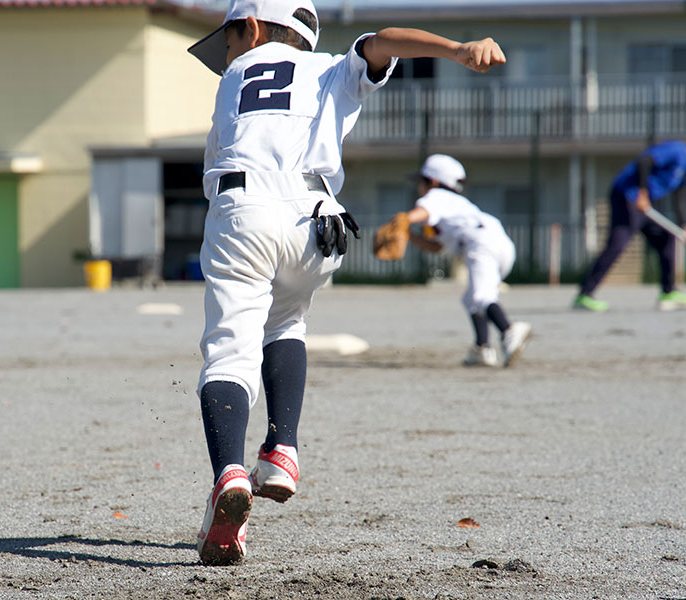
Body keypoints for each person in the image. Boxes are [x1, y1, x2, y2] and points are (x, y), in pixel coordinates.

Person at [187, 0, 505, 566]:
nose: (226, 52)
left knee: (229, 352)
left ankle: (230, 473)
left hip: (242, 205)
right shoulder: (330, 67)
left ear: (251, 27)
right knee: (286, 322)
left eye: (229, 39)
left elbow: (216, 169)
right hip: (319, 220)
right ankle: (282, 449)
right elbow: (384, 40)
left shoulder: (235, 76)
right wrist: (457, 50)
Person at [400, 154, 531, 368]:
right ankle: (482, 349)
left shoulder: (437, 196)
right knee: (472, 299)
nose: (420, 188)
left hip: (480, 243)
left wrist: (403, 220)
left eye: (421, 182)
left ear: (432, 182)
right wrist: (408, 234)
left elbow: (422, 212)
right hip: (497, 242)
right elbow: (437, 247)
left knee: (480, 296)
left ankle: (509, 330)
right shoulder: (457, 204)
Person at [574, 133, 686, 312]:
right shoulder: (676, 150)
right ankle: (585, 294)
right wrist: (643, 193)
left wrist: (685, 227)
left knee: (666, 239)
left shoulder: (684, 168)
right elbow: (644, 162)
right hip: (627, 198)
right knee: (617, 245)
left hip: (644, 205)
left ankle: (668, 292)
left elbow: (678, 197)